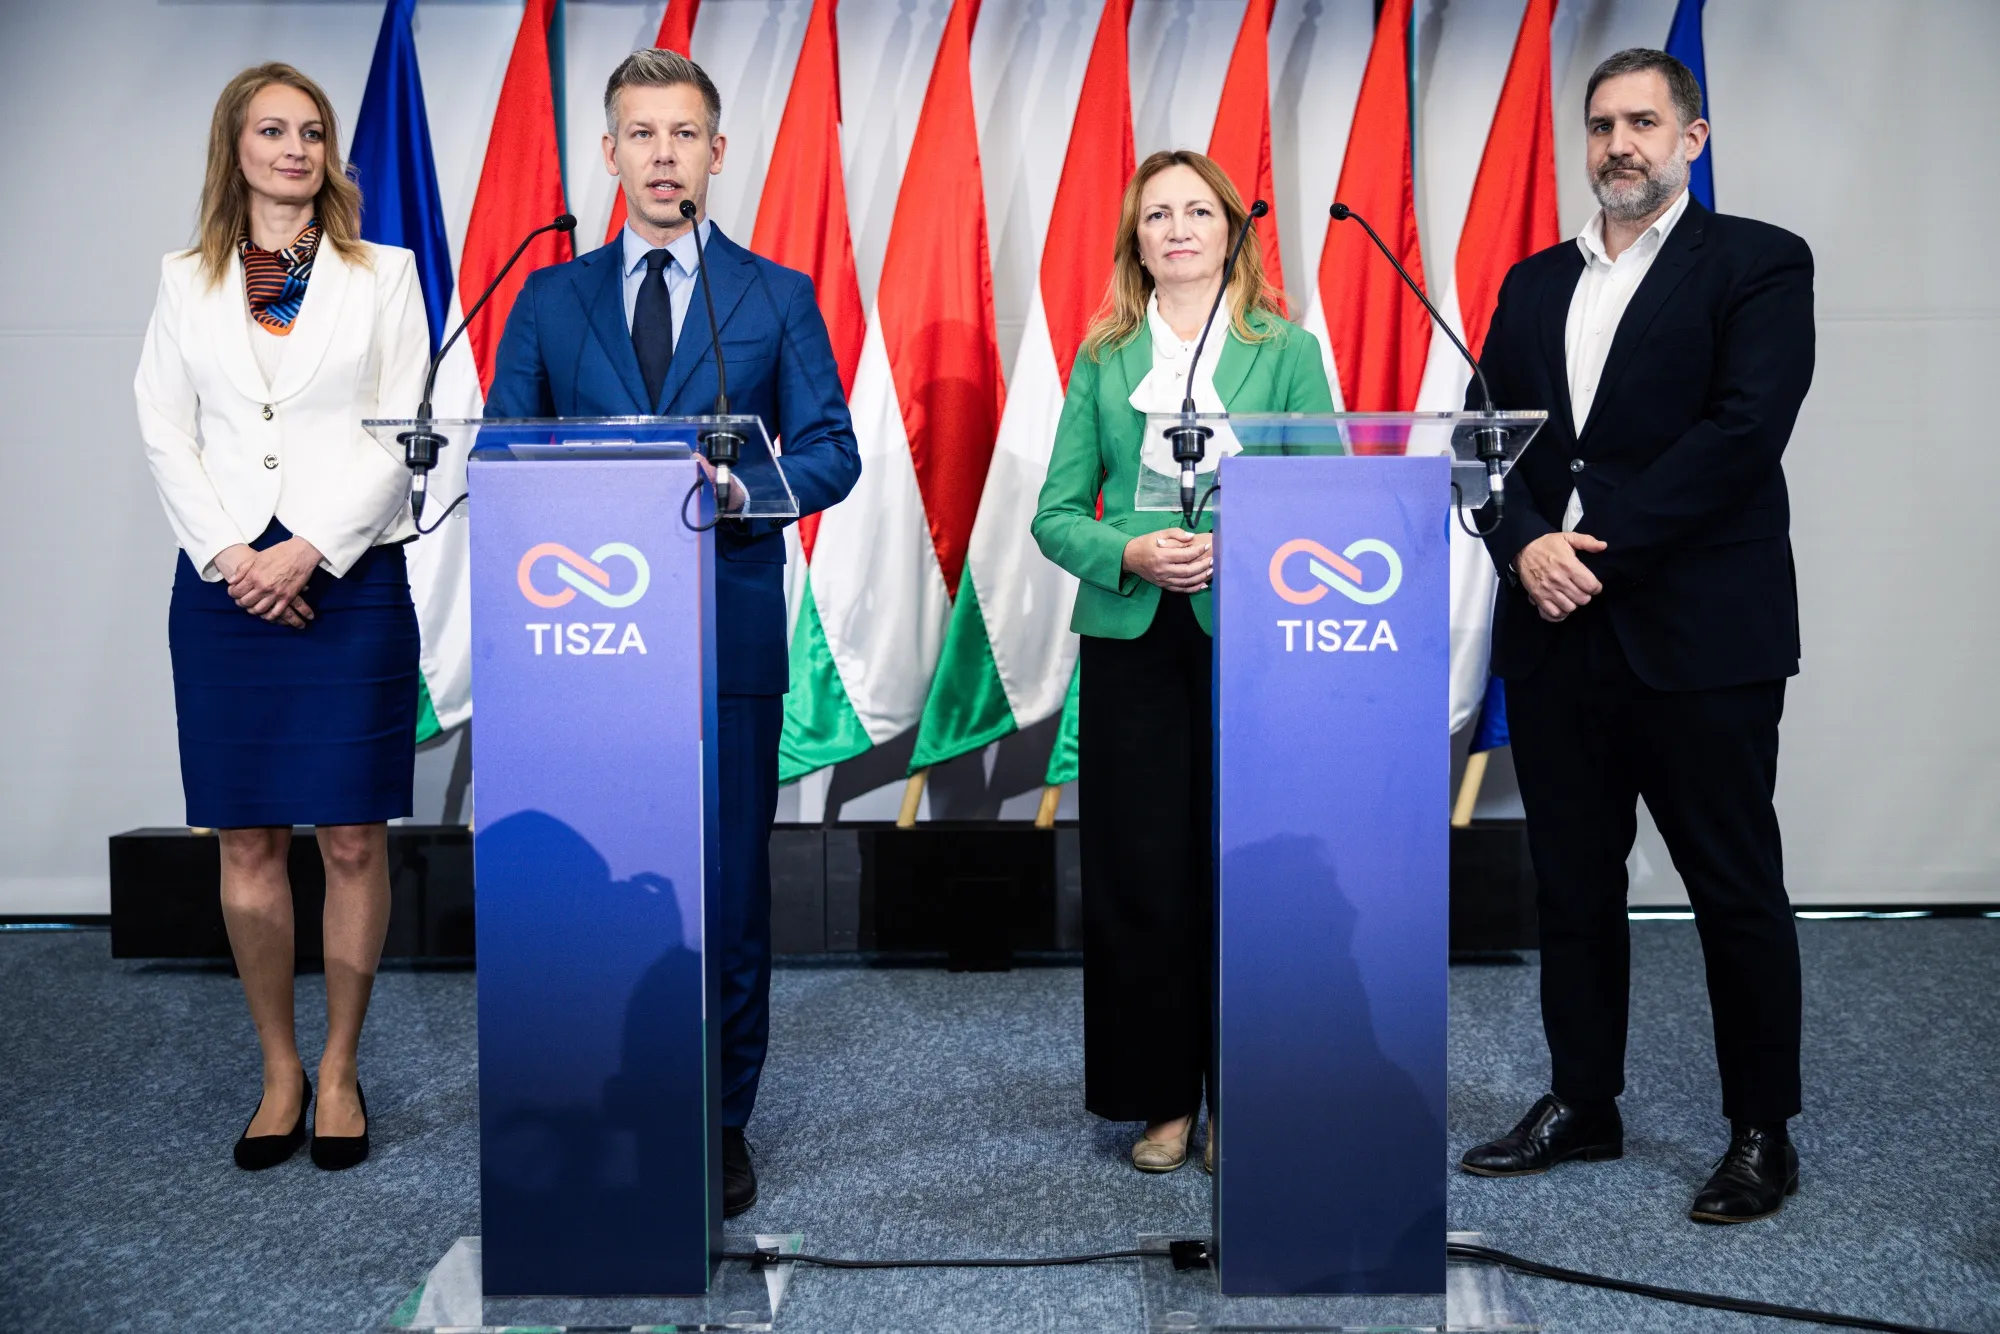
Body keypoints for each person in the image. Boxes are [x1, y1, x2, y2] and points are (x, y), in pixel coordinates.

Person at [485, 48, 860, 1218]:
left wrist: (745, 490)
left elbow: (832, 450)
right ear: (608, 153)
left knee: (725, 891)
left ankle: (718, 1121)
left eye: (681, 134)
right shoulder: (548, 298)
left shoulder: (775, 294)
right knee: (596, 887)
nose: (660, 154)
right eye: (639, 134)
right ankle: (603, 1097)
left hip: (723, 640)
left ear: (715, 152)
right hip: (580, 653)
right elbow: (503, 450)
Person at [1457, 48, 1816, 1224]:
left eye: (1643, 123)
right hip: (1553, 633)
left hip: (1696, 633)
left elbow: (1740, 433)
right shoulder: (1526, 283)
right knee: (1569, 884)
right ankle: (1582, 1099)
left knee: (1733, 888)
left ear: (1690, 138)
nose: (1618, 144)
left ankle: (1760, 1128)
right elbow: (1477, 447)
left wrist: (1586, 546)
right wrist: (1519, 546)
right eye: (1601, 124)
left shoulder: (1757, 263)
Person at [134, 63, 430, 1172]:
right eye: (273, 130)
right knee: (248, 833)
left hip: (345, 574)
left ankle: (343, 1067)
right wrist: (232, 554)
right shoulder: (183, 278)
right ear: (237, 147)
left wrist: (306, 543)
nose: (295, 148)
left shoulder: (382, 273)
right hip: (222, 590)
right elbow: (166, 427)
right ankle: (278, 1069)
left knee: (352, 834)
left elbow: (406, 426)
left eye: (312, 132)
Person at [1032, 150, 1334, 1174]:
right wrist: (1128, 547)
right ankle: (1160, 1097)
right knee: (1144, 876)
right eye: (1154, 213)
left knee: (1251, 871)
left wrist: (1238, 544)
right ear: (1134, 239)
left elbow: (1324, 504)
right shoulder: (1103, 355)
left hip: (1256, 644)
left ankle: (1246, 1089)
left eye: (1195, 210)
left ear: (1228, 229)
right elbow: (1055, 513)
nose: (1175, 228)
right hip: (1133, 645)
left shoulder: (1284, 351)